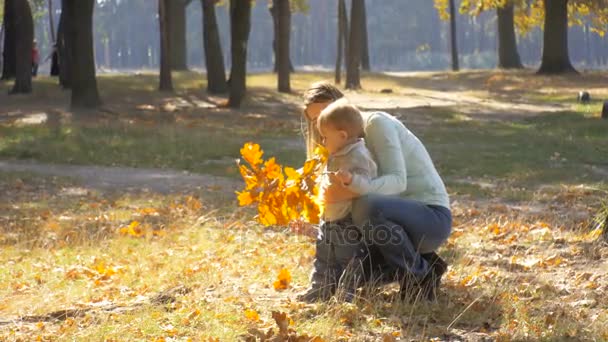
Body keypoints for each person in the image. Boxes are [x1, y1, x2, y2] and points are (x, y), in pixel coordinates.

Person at [301, 81, 452, 301]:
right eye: (315, 120)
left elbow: (398, 182)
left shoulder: (376, 124)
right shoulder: (340, 151)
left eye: (327, 111)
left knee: (365, 205)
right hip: (392, 223)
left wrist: (350, 190)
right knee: (351, 269)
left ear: (342, 105)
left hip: (430, 218)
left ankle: (420, 278)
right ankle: (427, 263)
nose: (322, 123)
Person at [297, 99, 378, 303]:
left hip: (348, 219)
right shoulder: (335, 153)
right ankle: (320, 289)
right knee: (324, 257)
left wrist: (351, 180)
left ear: (342, 136)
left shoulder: (358, 155)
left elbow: (368, 185)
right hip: (330, 217)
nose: (322, 142)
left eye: (325, 137)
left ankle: (346, 294)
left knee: (347, 259)